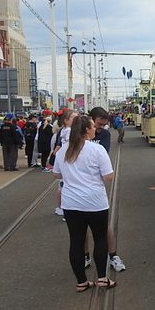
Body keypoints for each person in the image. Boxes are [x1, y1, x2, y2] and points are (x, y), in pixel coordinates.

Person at [52, 115, 116, 291]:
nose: (95, 129)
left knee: (76, 242)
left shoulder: (63, 150)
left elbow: (56, 174)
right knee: (100, 239)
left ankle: (81, 282)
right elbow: (108, 176)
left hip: (71, 203)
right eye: (93, 126)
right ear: (87, 130)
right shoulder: (97, 149)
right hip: (96, 202)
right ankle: (102, 279)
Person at [88, 107, 126, 272]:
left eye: (104, 125)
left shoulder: (104, 135)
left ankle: (113, 255)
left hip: (96, 186)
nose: (101, 128)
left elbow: (103, 157)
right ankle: (85, 256)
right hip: (76, 192)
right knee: (81, 230)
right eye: (98, 124)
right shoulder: (74, 136)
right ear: (90, 121)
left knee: (104, 226)